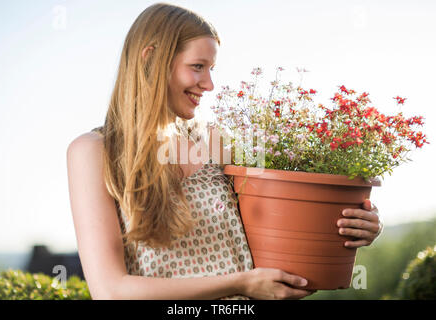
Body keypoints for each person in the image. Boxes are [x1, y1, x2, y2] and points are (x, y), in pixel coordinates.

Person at [66, 3, 383, 300]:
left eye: (211, 68)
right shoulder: (94, 152)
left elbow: (291, 221)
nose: (209, 84)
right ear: (150, 59)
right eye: (197, 67)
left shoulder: (220, 144)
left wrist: (354, 225)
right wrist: (241, 283)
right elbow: (111, 290)